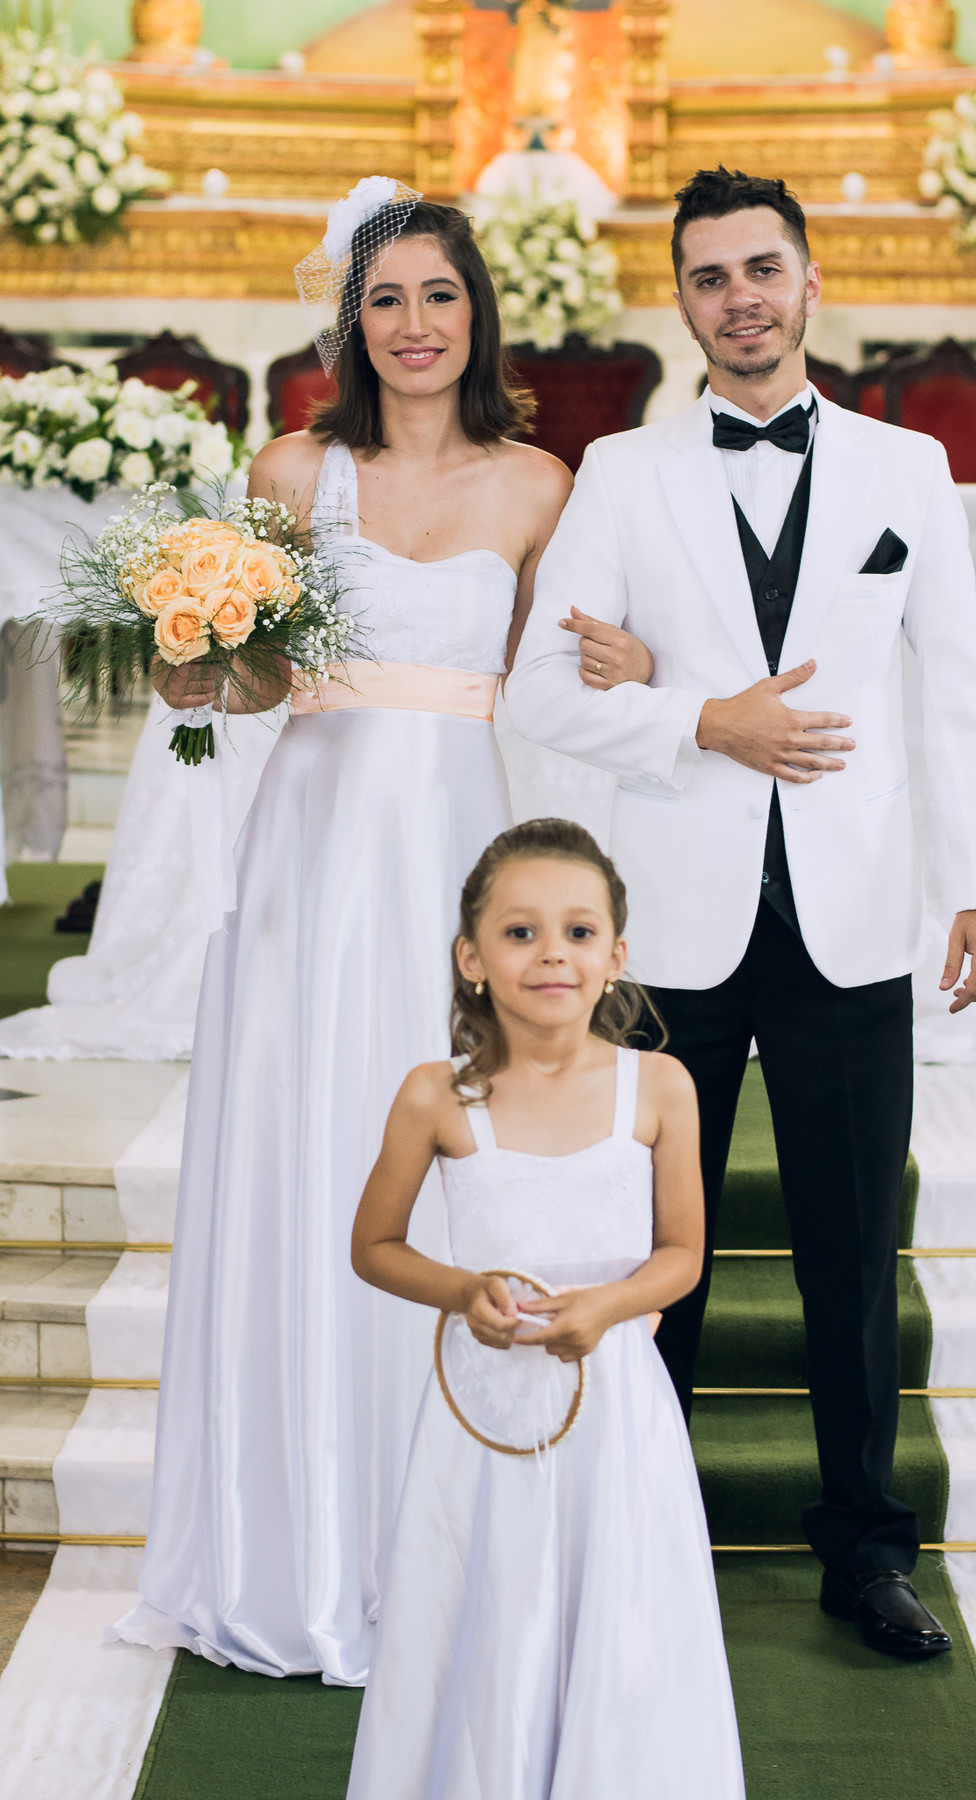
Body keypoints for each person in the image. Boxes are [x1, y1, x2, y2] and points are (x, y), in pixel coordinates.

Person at [504, 168, 976, 1659]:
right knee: (646, 1246)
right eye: (709, 276)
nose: (738, 297)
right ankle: (637, 1550)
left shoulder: (906, 470)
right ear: (679, 300)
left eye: (761, 269)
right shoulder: (620, 471)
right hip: (668, 931)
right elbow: (541, 685)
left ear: (808, 282)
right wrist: (695, 720)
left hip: (854, 921)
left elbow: (954, 690)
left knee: (850, 1254)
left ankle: (866, 1556)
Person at [110, 184, 583, 1683]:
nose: (415, 326)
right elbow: (249, 685)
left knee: (448, 1157)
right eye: (386, 301)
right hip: (311, 857)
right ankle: (290, 1543)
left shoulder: (538, 486)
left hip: (454, 857)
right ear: (350, 323)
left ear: (477, 313)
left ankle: (438, 1540)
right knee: (302, 1151)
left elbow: (561, 695)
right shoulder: (293, 468)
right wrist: (196, 669)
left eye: (440, 296)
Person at [346, 818, 745, 1799]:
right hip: (480, 1409)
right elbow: (375, 1247)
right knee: (488, 1599)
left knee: (619, 1602)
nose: (551, 954)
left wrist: (607, 1307)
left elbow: (683, 1255)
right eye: (520, 933)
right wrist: (463, 1291)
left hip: (612, 1400)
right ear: (471, 958)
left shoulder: (660, 1086)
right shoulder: (434, 1096)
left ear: (616, 955)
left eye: (577, 931)